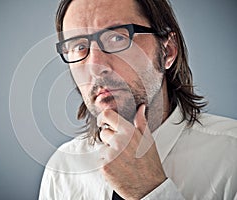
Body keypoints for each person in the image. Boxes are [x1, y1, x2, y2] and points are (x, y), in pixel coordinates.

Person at [39, 0, 237, 199]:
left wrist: (150, 191)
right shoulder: (62, 169)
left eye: (117, 38)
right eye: (79, 46)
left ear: (167, 51)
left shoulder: (231, 157)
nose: (95, 67)